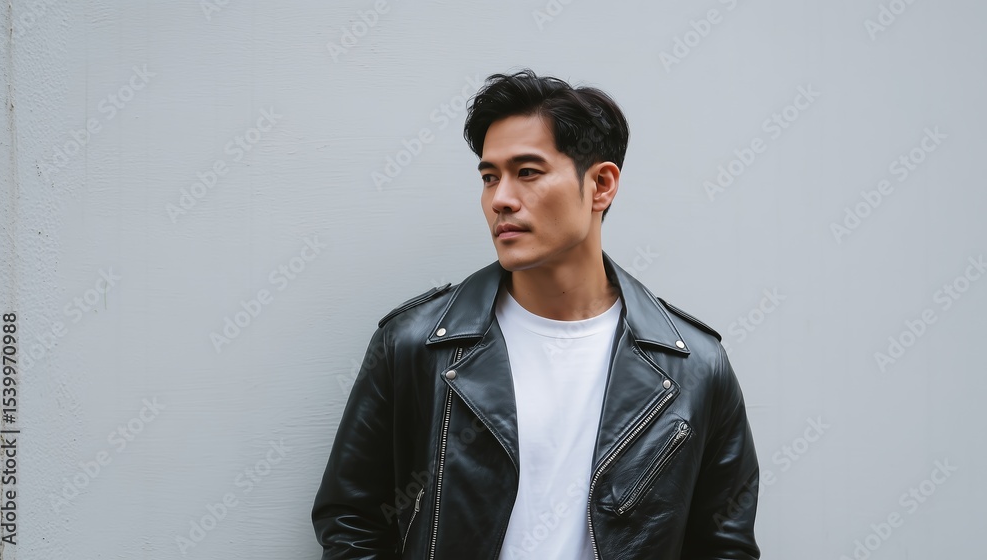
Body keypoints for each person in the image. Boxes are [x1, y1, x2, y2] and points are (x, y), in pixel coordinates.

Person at [312, 69, 760, 559]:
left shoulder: (694, 366)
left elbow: (724, 544)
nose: (500, 199)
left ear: (601, 185)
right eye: (489, 177)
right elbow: (350, 519)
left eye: (527, 172)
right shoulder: (417, 344)